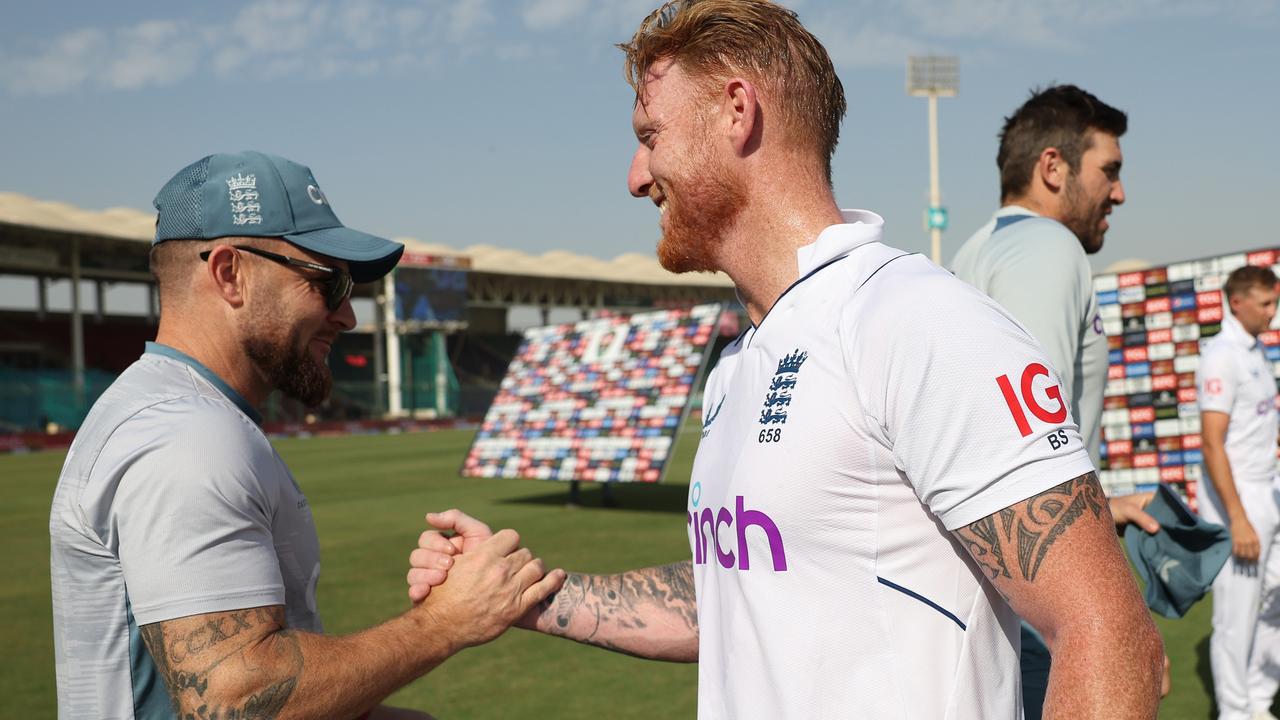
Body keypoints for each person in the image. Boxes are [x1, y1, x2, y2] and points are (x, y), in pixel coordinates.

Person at [410, 2, 1163, 718]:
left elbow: (1106, 631)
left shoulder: (915, 319)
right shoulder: (742, 360)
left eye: (651, 134)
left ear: (737, 110)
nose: (636, 176)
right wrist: (528, 594)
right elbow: (741, 594)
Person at [48, 151, 565, 719]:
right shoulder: (187, 438)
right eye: (328, 282)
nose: (347, 317)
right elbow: (239, 702)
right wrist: (442, 625)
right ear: (229, 273)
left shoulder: (183, 413)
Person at [950, 84, 1166, 718]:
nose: (1118, 193)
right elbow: (1029, 448)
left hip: (990, 597)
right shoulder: (1049, 248)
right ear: (1053, 167)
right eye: (1109, 171)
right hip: (1037, 606)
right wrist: (1113, 621)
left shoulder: (974, 250)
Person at [1196, 265, 1280, 720]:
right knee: (1236, 616)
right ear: (1237, 302)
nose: (1273, 313)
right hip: (1240, 501)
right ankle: (1234, 712)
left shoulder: (1256, 350)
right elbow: (1212, 442)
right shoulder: (1222, 356)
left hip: (1270, 491)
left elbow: (1254, 424)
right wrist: (1238, 517)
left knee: (1276, 601)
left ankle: (1257, 700)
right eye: (1266, 304)